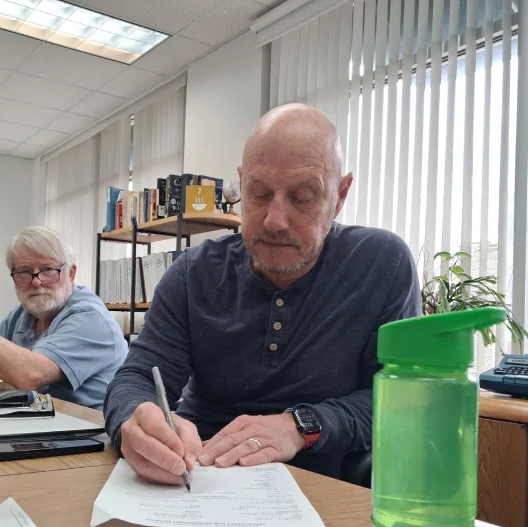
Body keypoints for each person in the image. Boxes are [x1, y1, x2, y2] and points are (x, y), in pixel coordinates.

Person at [103, 104, 421, 485]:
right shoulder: (193, 273)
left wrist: (299, 425)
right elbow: (137, 376)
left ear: (339, 196)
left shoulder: (381, 264)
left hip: (319, 487)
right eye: (258, 193)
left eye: (303, 197)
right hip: (197, 477)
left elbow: (396, 400)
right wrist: (135, 421)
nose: (274, 220)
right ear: (241, 184)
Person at [0, 226, 127, 410]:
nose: (36, 282)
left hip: (88, 431)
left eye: (47, 270)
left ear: (70, 274)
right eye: (24, 272)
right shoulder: (25, 314)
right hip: (40, 420)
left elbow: (31, 375)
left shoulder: (92, 318)